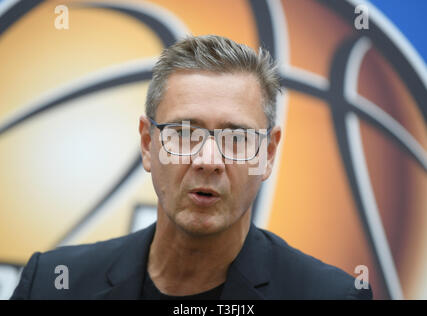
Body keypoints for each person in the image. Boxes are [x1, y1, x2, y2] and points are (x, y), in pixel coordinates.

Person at [11, 35, 372, 300]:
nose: (209, 161)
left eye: (236, 138)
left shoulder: (330, 295)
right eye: (184, 133)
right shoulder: (53, 283)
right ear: (148, 143)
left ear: (269, 152)